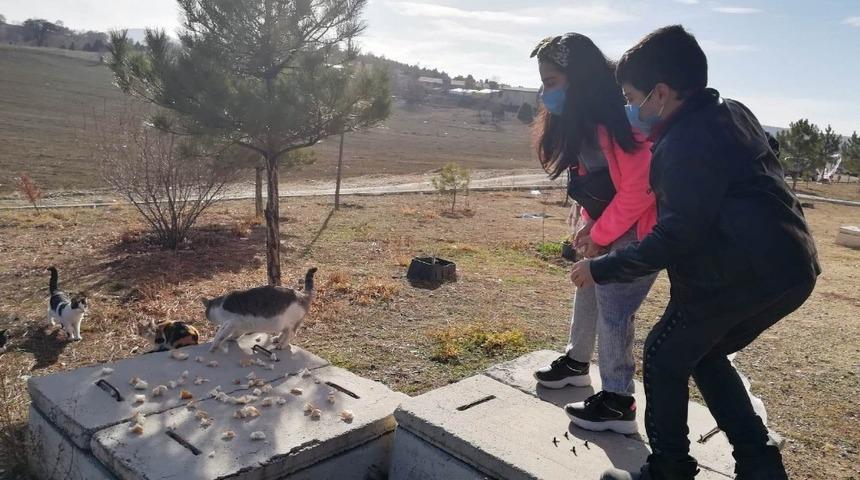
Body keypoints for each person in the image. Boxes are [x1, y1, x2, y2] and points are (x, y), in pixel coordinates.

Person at [567, 26, 820, 480]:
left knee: (665, 353)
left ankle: (669, 469)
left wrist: (601, 267)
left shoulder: (683, 142)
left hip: (735, 274)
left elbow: (674, 236)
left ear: (661, 93)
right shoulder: (732, 112)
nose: (630, 108)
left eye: (632, 96)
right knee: (702, 353)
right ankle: (760, 466)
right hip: (793, 267)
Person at [529, 33, 658, 435]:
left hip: (640, 232)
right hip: (613, 225)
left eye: (551, 83)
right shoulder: (583, 125)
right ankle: (576, 363)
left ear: (578, 79)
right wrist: (589, 224)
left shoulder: (622, 124)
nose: (544, 93)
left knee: (615, 306)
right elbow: (598, 185)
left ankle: (619, 401)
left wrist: (601, 235)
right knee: (587, 288)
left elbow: (639, 190)